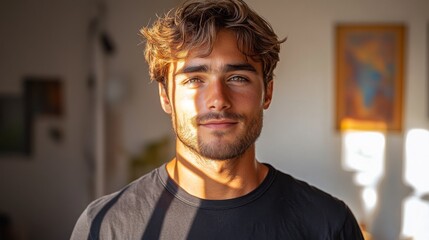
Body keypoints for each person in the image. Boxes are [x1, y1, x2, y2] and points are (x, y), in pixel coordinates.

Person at [71, 0, 364, 239]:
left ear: (267, 92)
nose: (218, 99)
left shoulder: (328, 224)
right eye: (195, 79)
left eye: (237, 77)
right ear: (165, 96)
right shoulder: (106, 226)